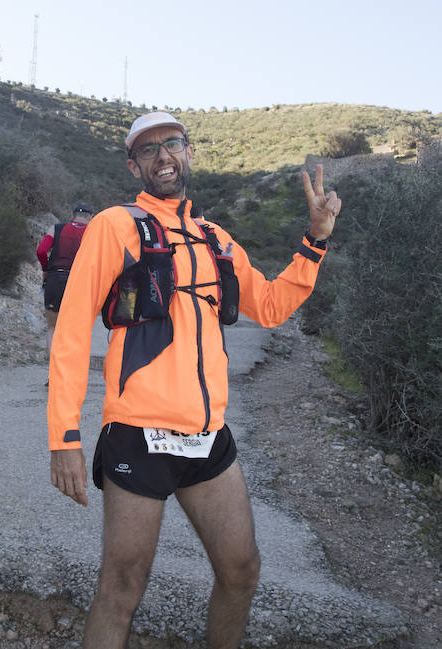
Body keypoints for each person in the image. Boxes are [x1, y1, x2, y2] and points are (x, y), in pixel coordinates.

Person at [47, 112, 340, 649]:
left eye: (172, 144)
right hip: (138, 433)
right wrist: (64, 438)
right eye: (150, 149)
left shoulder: (216, 238)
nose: (163, 155)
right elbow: (70, 332)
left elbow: (270, 306)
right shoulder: (115, 225)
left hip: (209, 439)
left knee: (242, 570)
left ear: (188, 153)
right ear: (134, 164)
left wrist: (314, 241)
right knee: (122, 587)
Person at [36, 201, 94, 358]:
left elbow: (41, 251)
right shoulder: (93, 232)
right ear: (91, 217)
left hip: (55, 279)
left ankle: (52, 373)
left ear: (72, 215)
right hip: (79, 283)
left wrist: (46, 269)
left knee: (52, 327)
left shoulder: (56, 229)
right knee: (75, 330)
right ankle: (68, 372)